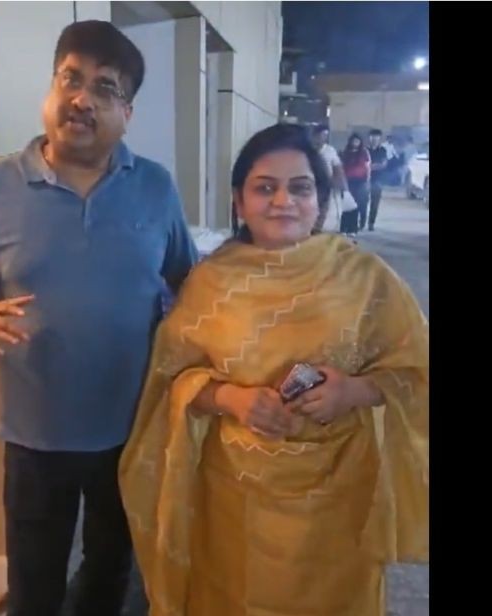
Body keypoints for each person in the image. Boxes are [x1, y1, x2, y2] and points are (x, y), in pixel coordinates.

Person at [0, 20, 198, 616]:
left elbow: (189, 279)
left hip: (132, 428)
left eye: (105, 88)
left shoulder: (155, 187)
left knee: (110, 568)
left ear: (127, 113)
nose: (82, 99)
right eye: (70, 79)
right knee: (35, 583)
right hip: (36, 436)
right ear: (51, 90)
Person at [119, 123, 428, 616]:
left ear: (320, 201)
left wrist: (354, 391)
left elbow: (416, 368)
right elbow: (171, 380)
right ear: (239, 202)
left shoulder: (365, 278)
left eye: (300, 188)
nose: (284, 200)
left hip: (339, 503)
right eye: (265, 188)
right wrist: (230, 398)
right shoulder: (210, 283)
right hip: (235, 502)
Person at [310, 124, 346, 233]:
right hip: (309, 183)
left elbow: (337, 167)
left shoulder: (330, 150)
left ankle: (316, 230)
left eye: (326, 135)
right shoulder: (308, 149)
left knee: (323, 207)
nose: (323, 138)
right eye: (321, 135)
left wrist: (340, 182)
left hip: (325, 184)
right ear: (315, 135)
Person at [341, 132, 371, 236]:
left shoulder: (364, 153)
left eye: (357, 141)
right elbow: (340, 167)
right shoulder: (345, 153)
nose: (355, 143)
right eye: (354, 141)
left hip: (360, 182)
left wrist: (367, 181)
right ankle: (344, 228)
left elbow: (368, 167)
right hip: (347, 182)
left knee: (356, 205)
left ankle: (352, 229)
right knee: (346, 205)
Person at [366, 128, 389, 231]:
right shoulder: (365, 150)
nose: (374, 139)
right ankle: (361, 221)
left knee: (374, 203)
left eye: (376, 137)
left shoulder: (382, 150)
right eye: (372, 137)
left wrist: (369, 167)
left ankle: (371, 223)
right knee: (361, 202)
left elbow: (383, 165)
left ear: (380, 138)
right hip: (364, 180)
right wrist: (373, 166)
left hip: (377, 180)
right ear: (369, 138)